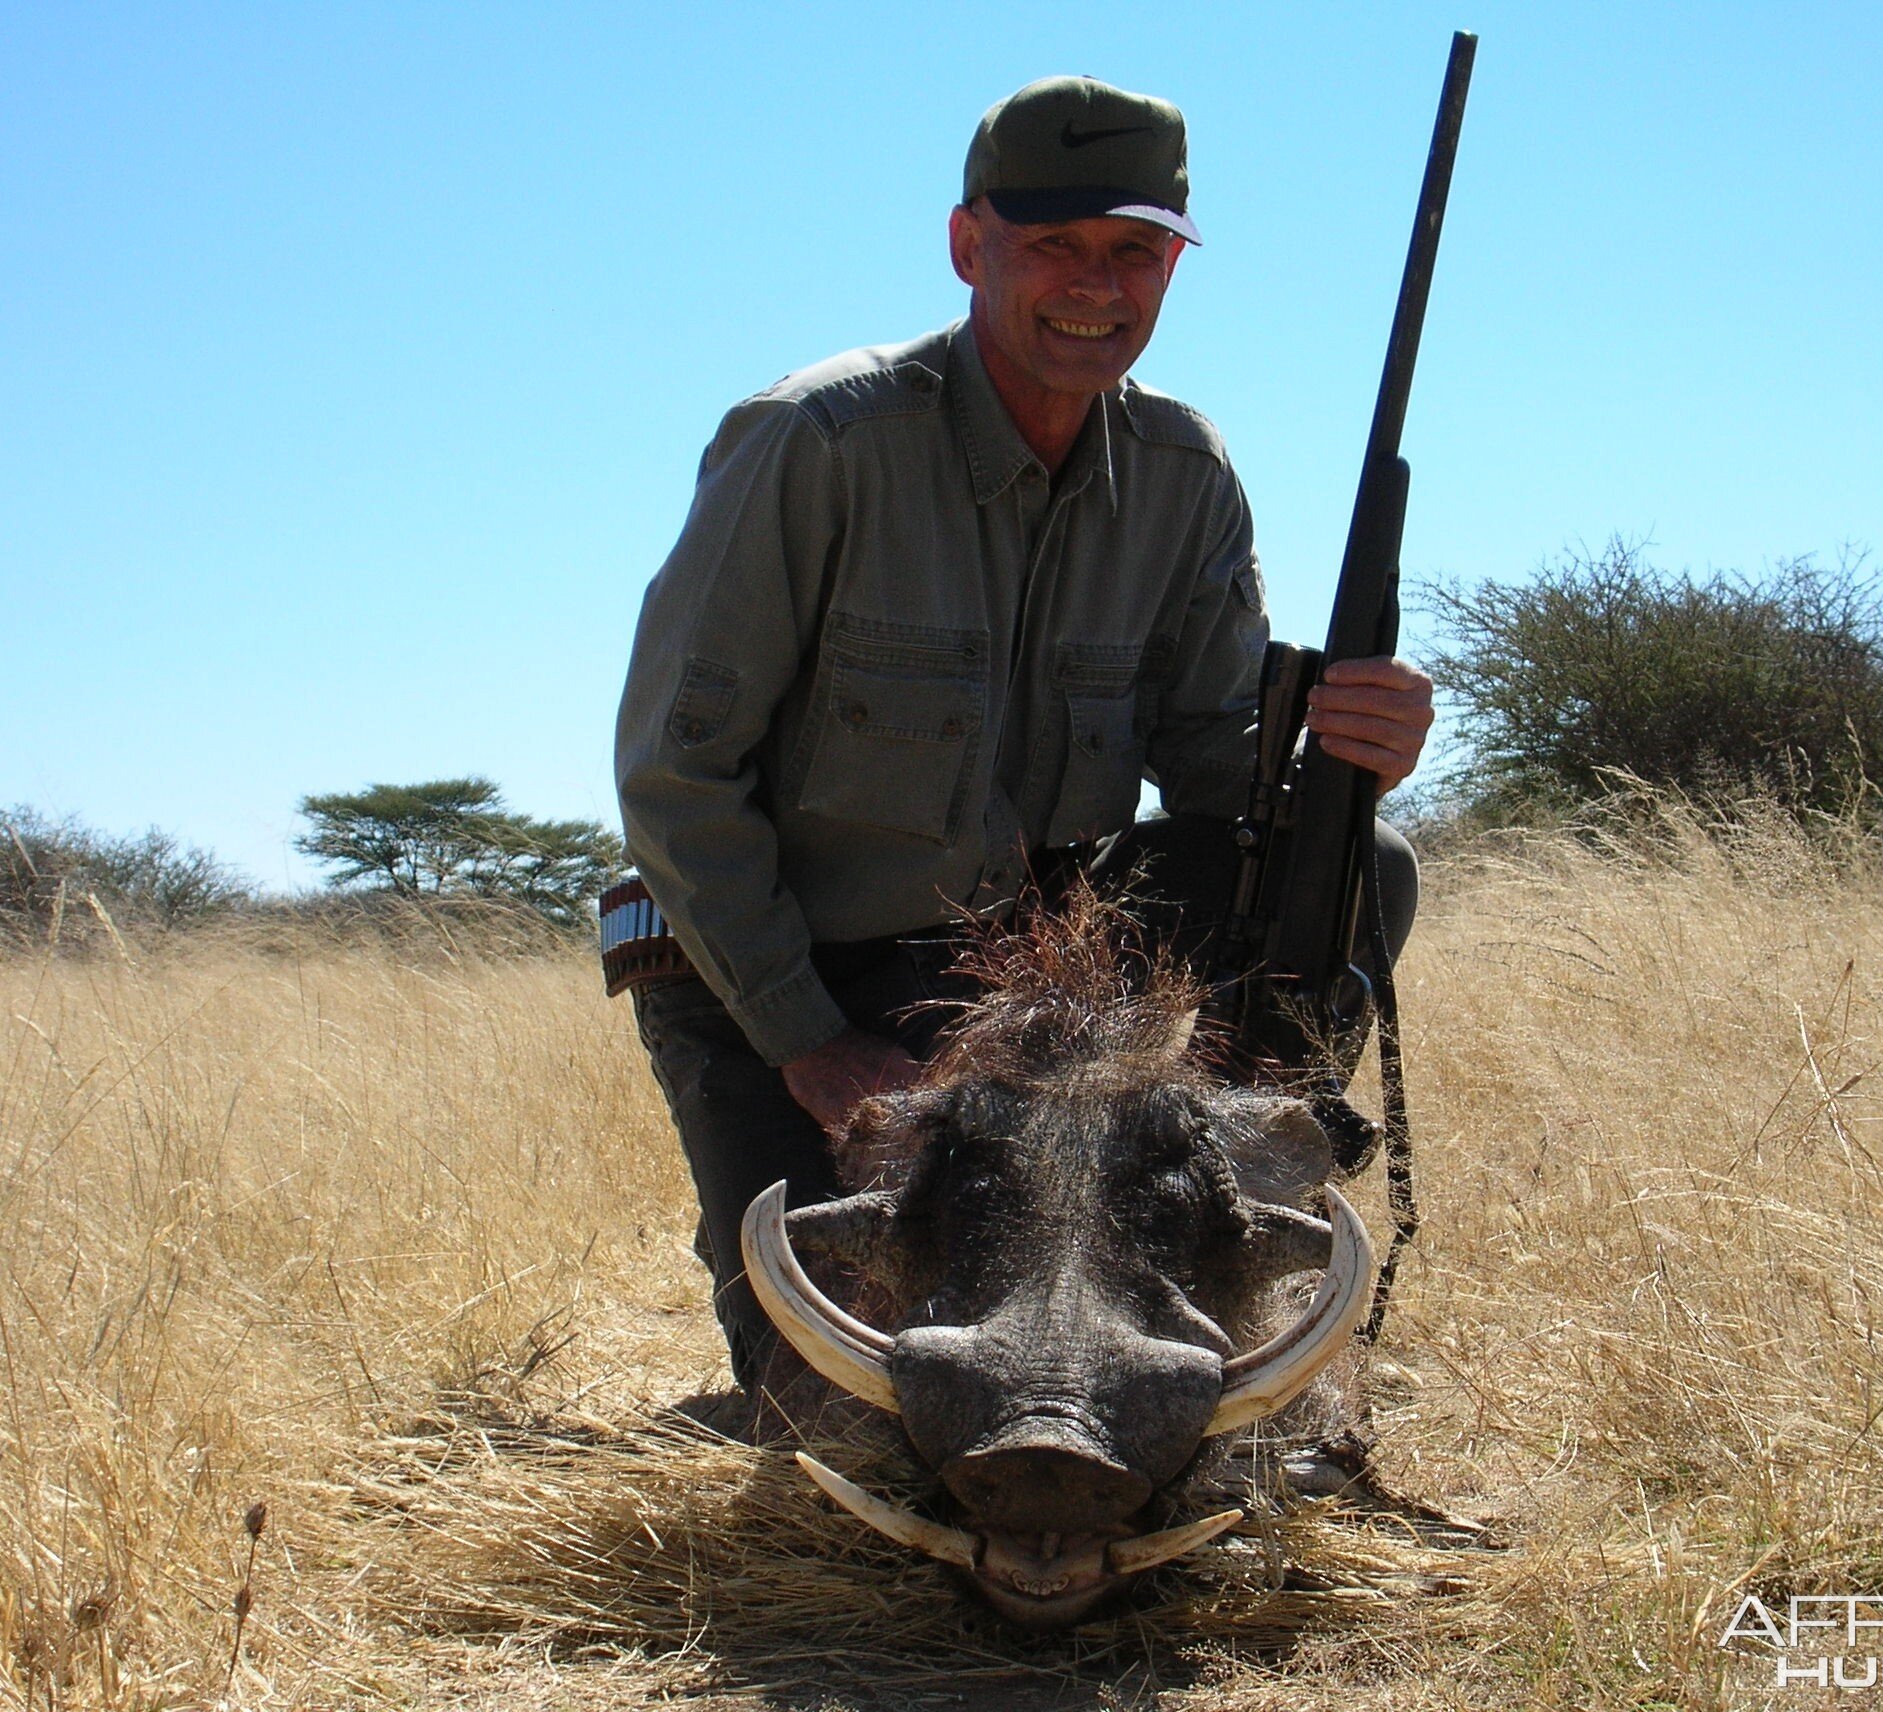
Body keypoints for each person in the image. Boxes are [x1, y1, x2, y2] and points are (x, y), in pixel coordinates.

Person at [615, 75, 1436, 1391]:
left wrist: (1353, 743)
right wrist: (812, 1046)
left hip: (1045, 986)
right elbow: (676, 776)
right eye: (1053, 245)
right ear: (967, 245)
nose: (1096, 286)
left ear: (1173, 261)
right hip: (801, 988)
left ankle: (1218, 1190)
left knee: (1364, 867)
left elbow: (1223, 768)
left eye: (1134, 251)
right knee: (830, 1411)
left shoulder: (1190, 475)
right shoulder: (814, 442)